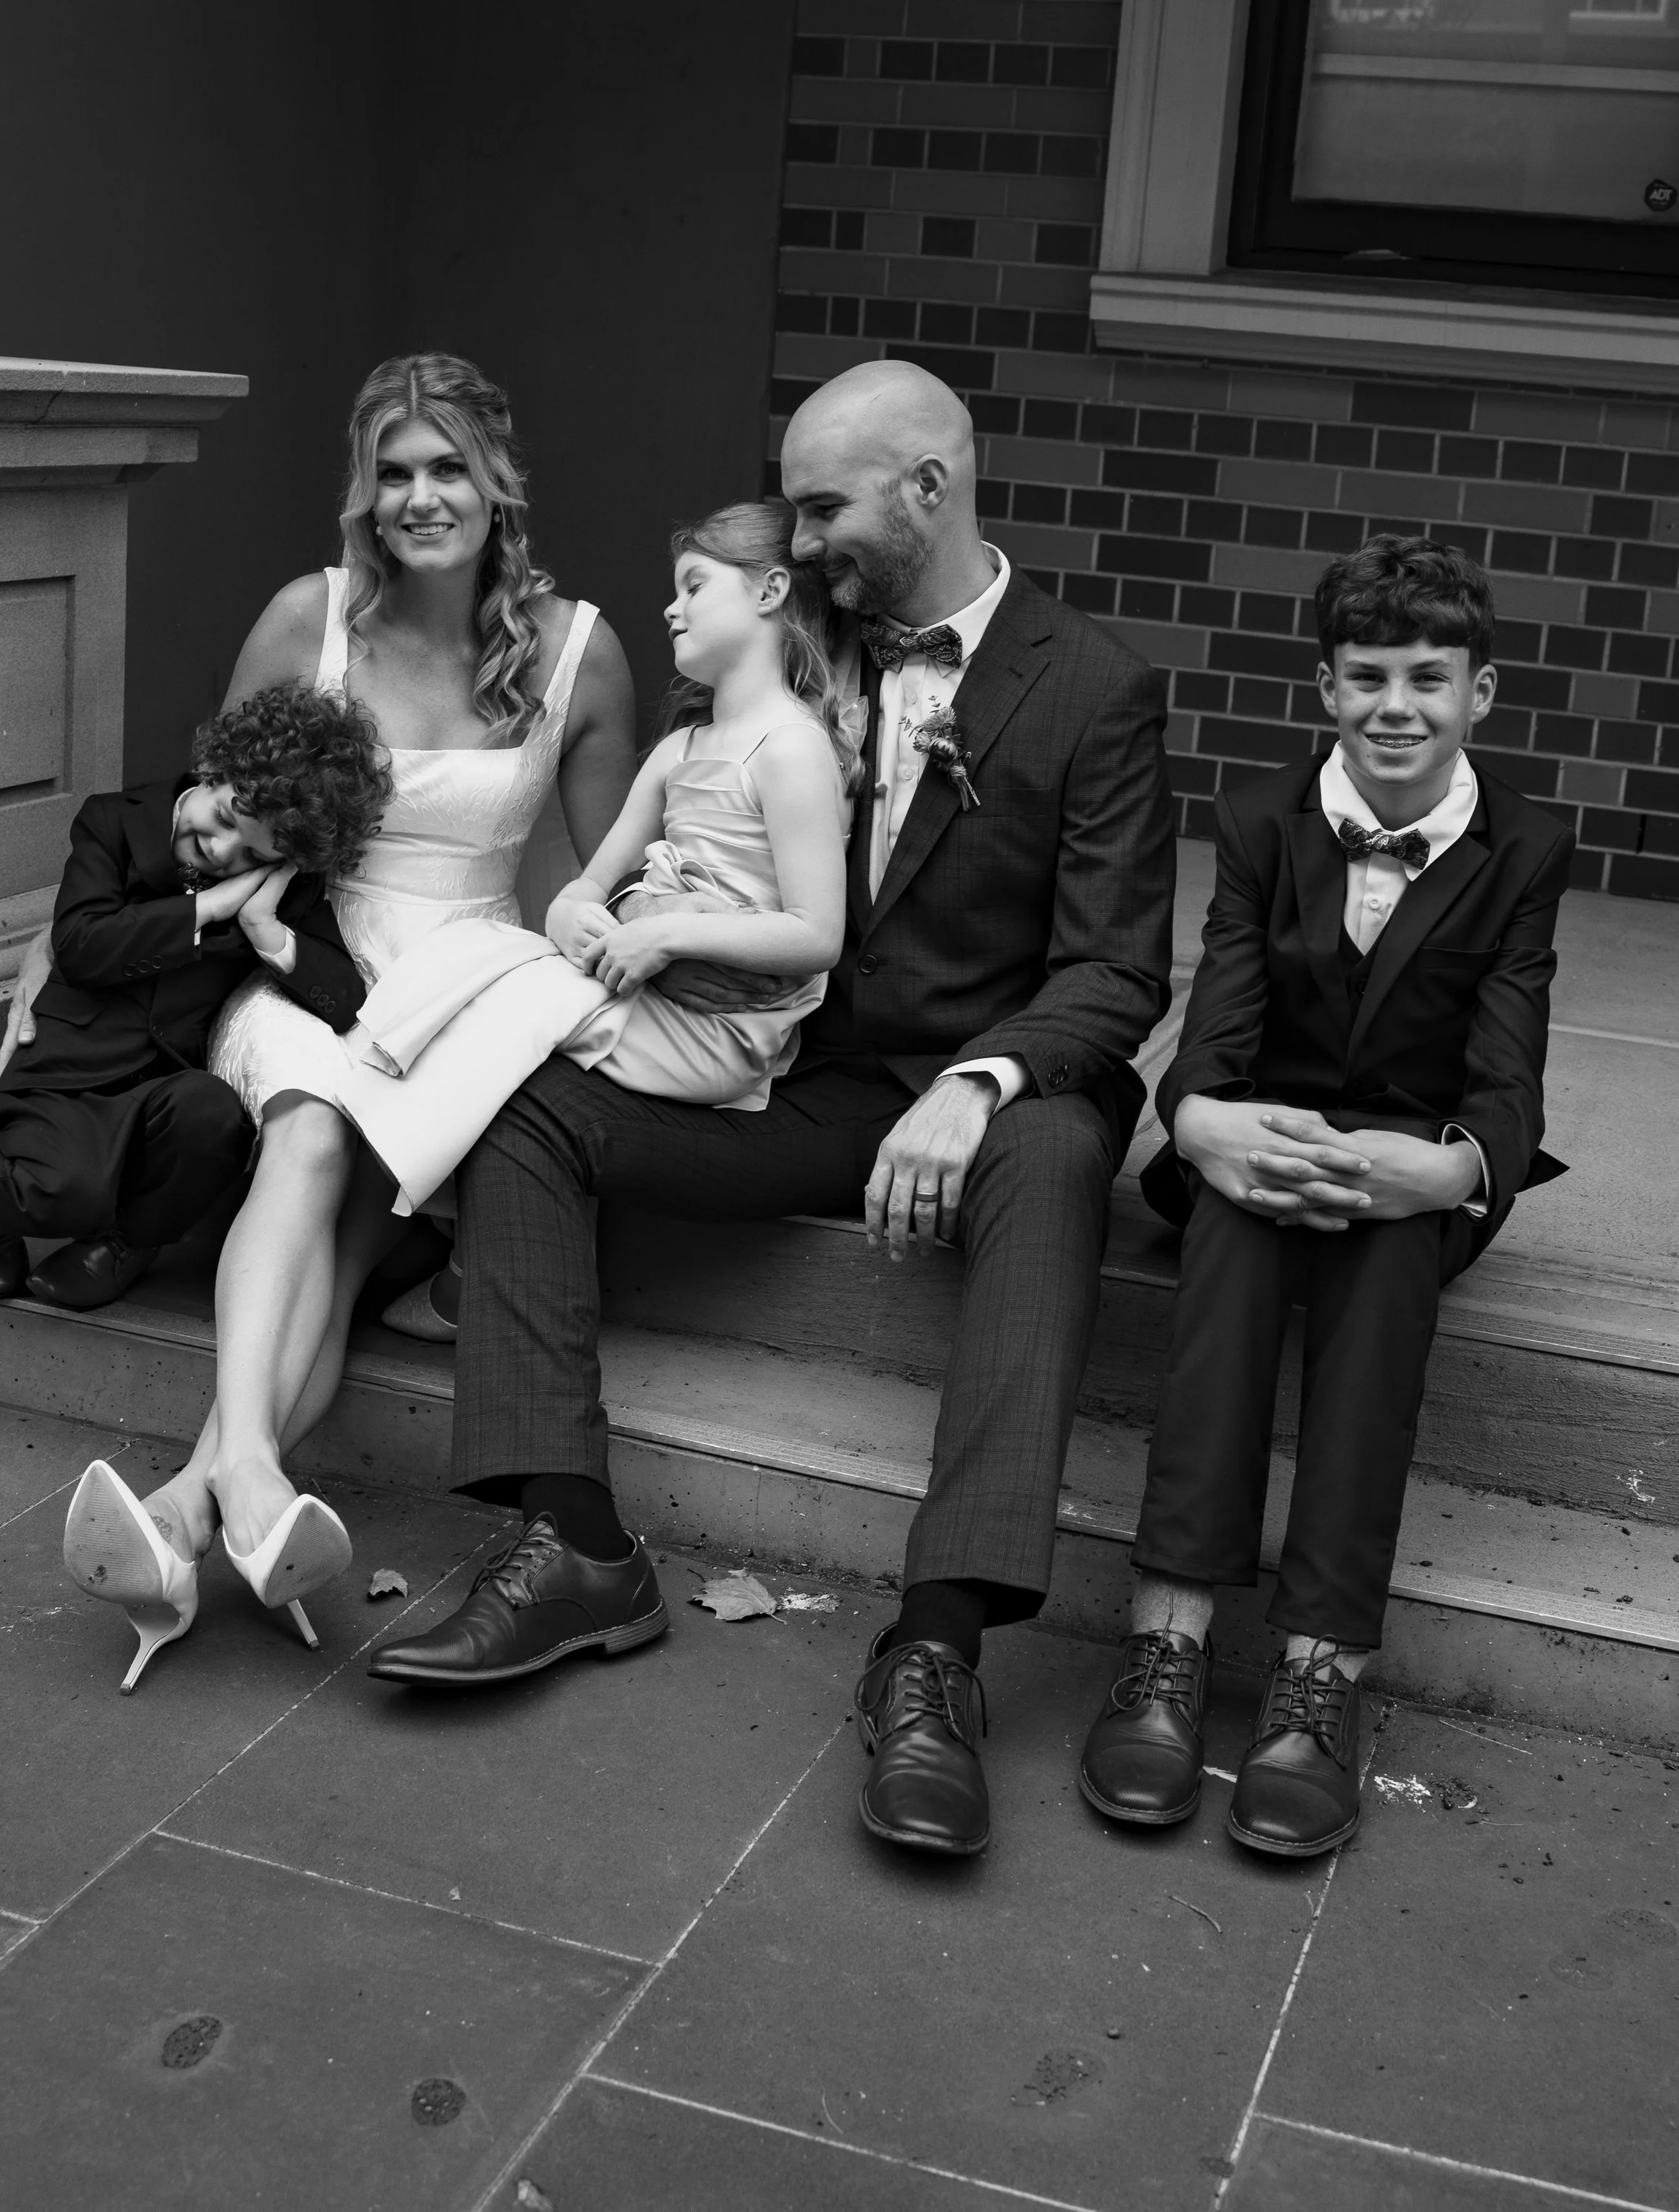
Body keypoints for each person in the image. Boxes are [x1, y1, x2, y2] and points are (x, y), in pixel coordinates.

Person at [369, 361, 1178, 1865]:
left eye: (825, 505)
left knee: (1064, 1146)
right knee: (526, 1099)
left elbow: (1118, 968)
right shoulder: (799, 647)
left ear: (925, 488)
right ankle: (576, 1540)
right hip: (784, 1079)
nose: (799, 543)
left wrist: (979, 1077)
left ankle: (933, 1649)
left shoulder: (1088, 686)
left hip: (979, 1084)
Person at [0, 352, 638, 1691]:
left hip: (460, 989)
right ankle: (239, 1471)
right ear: (363, 491)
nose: (420, 496)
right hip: (303, 963)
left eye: (447, 465)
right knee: (310, 1131)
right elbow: (204, 827)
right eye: (394, 471)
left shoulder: (582, 652)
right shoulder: (311, 618)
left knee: (347, 1247)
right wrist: (59, 969)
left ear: (497, 479)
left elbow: (607, 877)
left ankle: (184, 1511)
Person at [1077, 536, 1572, 1860]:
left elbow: (1508, 1066)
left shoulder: (1525, 842)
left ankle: (1319, 1670)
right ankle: (1168, 1637)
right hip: (1256, 1137)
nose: (1396, 703)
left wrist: (1458, 1166)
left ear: (1483, 693)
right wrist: (1206, 1124)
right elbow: (1216, 1023)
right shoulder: (1255, 821)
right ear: (1324, 686)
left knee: (1392, 1254)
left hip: (1416, 1157)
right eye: (1367, 675)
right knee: (1236, 1231)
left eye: (1429, 676)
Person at [336, 499, 855, 1223]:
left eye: (694, 586)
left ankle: (408, 1201)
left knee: (519, 1008)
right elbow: (588, 882)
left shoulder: (791, 747)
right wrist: (575, 912)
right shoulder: (680, 751)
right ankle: (367, 1101)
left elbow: (815, 933)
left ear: (768, 592)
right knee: (474, 946)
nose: (671, 609)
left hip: (722, 1027)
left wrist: (662, 935)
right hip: (647, 992)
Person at [0, 682, 386, 1315]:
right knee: (64, 1194)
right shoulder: (113, 822)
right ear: (215, 767)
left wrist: (266, 931)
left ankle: (128, 1241)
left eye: (255, 853)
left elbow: (343, 997)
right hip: (66, 1072)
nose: (225, 853)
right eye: (225, 819)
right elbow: (83, 945)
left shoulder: (280, 895)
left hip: (160, 1084)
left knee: (217, 1117)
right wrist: (210, 906)